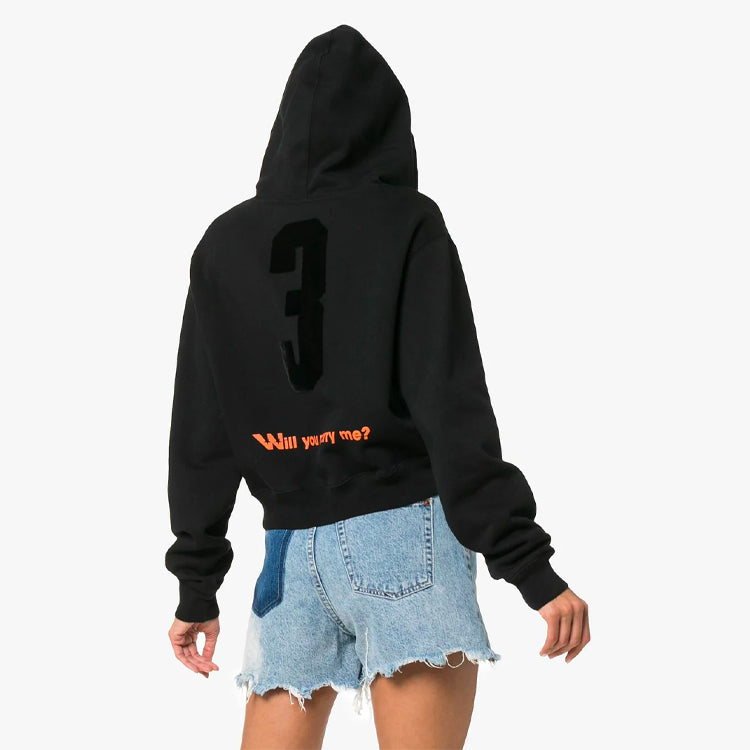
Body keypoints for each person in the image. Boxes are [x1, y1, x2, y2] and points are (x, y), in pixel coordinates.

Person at [165, 23, 590, 750]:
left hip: (288, 554)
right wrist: (527, 563)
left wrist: (197, 585)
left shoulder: (222, 243)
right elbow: (449, 403)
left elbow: (200, 432)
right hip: (404, 537)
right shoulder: (406, 223)